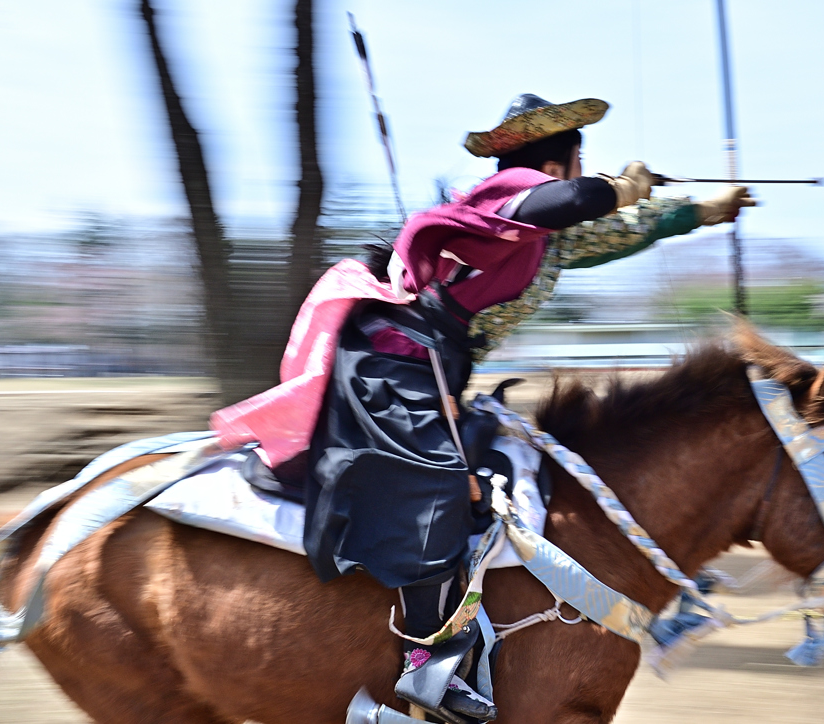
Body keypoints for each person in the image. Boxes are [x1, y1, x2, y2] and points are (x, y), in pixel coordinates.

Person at [213, 93, 754, 723]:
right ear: (560, 161)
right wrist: (618, 186)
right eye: (581, 161)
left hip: (430, 369)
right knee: (438, 493)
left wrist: (695, 210)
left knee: (510, 475)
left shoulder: (538, 233)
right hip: (392, 366)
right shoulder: (508, 194)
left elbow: (607, 233)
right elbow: (573, 203)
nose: (583, 172)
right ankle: (427, 672)